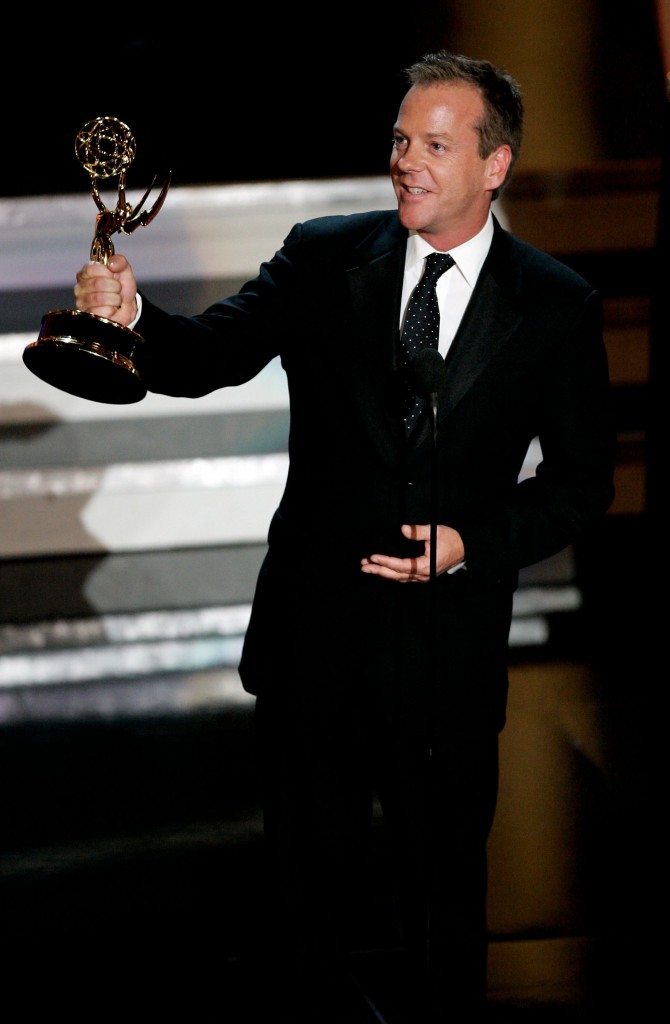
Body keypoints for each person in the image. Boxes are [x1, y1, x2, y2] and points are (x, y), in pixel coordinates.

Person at [73, 50, 615, 1023]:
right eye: (400, 140)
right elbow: (211, 356)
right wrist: (136, 319)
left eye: (435, 145)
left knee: (441, 925)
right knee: (300, 930)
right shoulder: (324, 256)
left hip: (445, 658)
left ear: (494, 166)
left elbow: (582, 485)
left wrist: (469, 541)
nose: (407, 161)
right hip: (313, 647)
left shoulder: (555, 305)